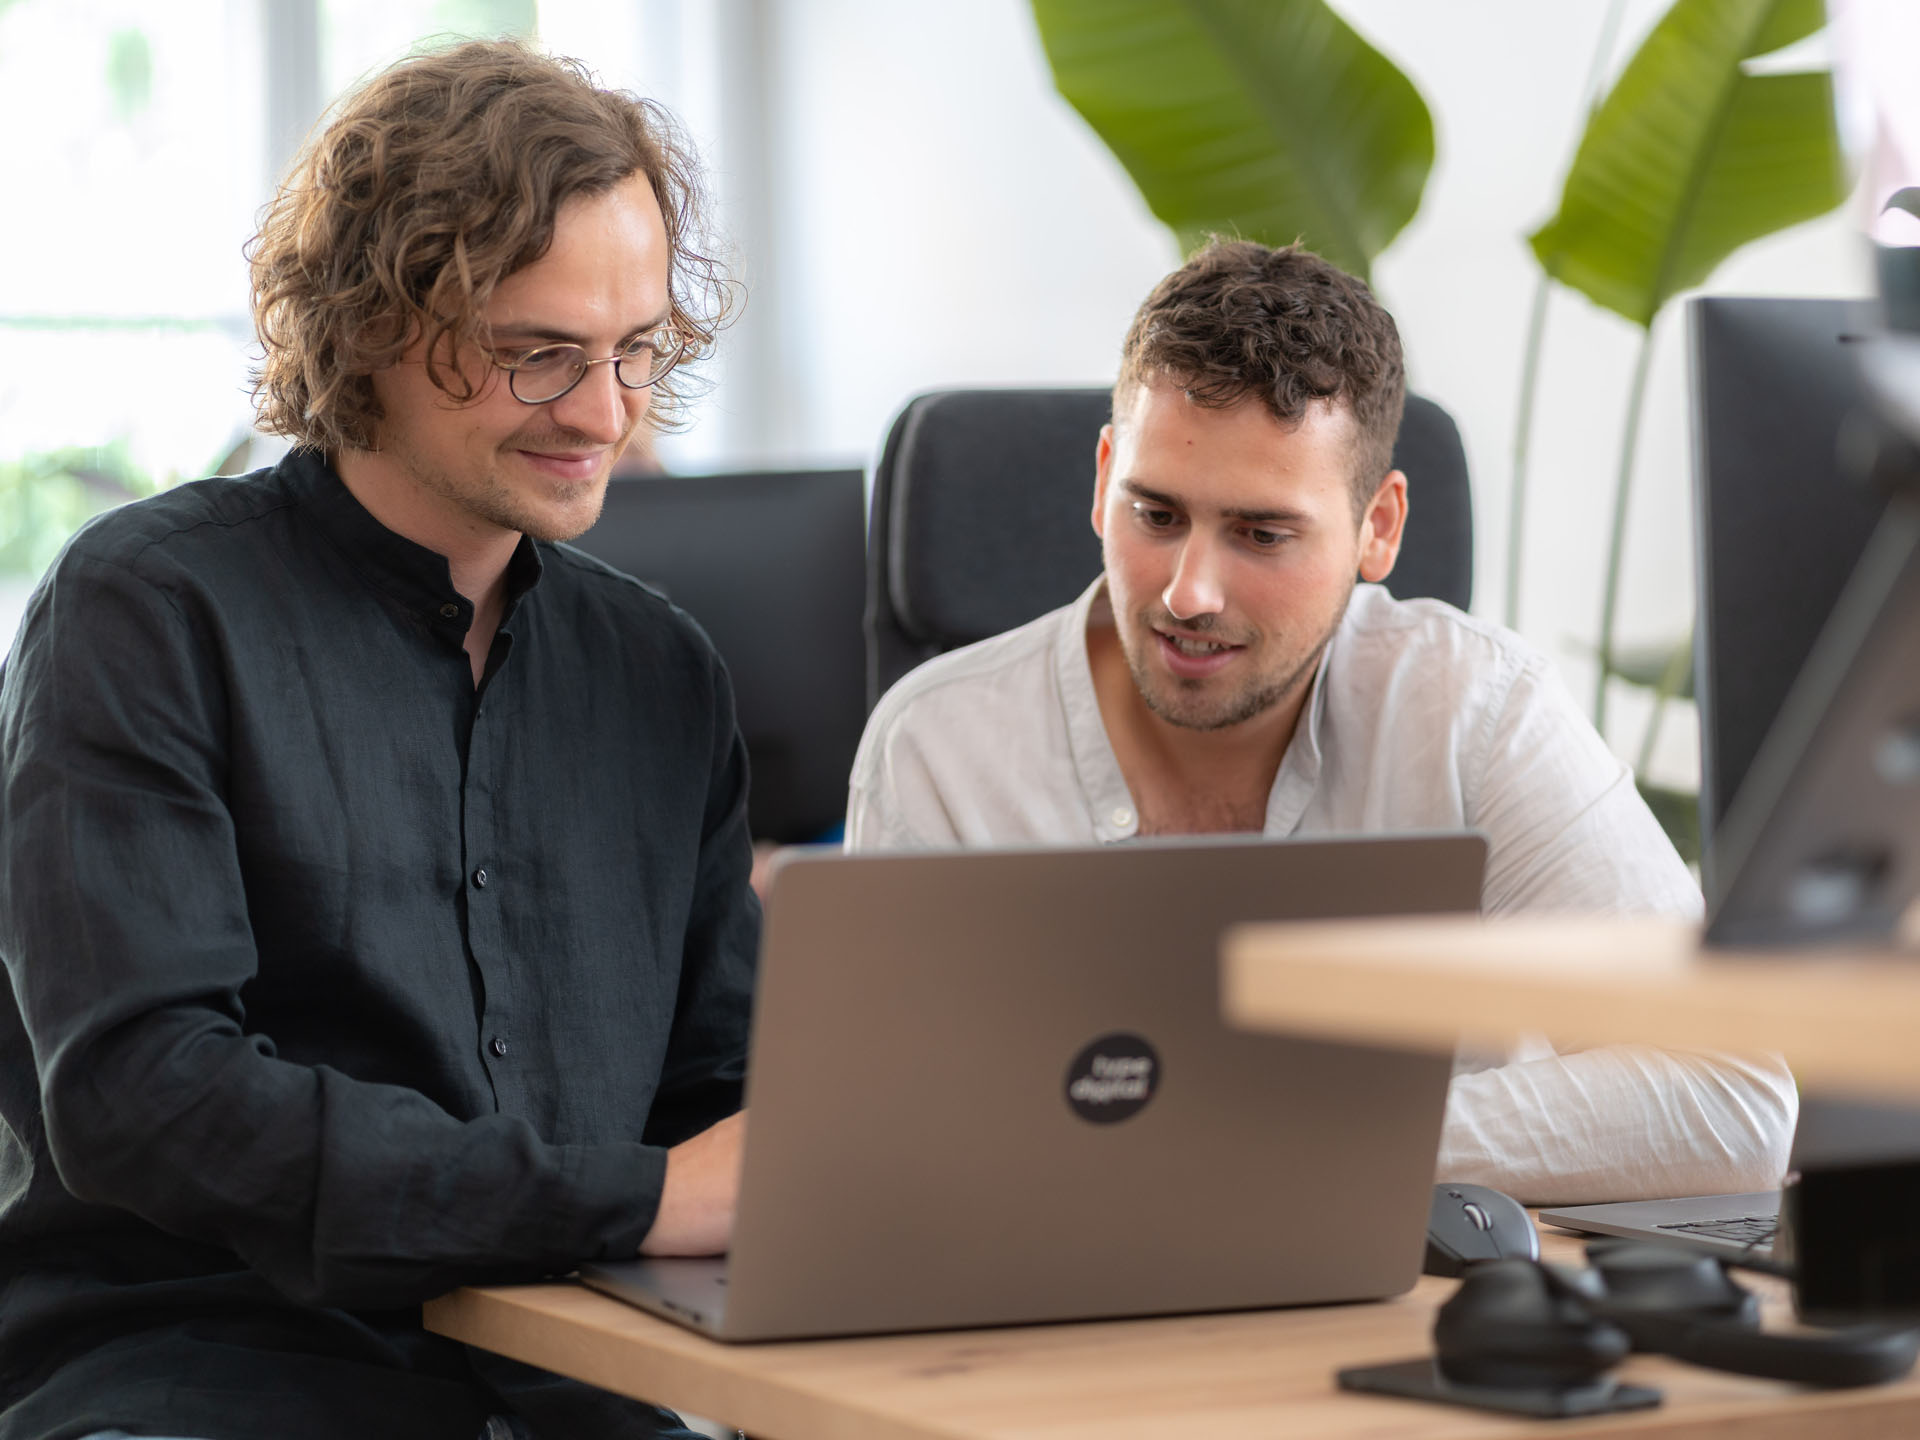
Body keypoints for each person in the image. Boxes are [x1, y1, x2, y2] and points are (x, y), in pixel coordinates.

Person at [0, 40, 753, 1440]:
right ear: (367, 326)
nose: (603, 416)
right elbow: (143, 1097)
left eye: (632, 352)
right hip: (214, 1378)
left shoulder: (663, 674)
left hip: (584, 1389)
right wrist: (638, 1199)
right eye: (538, 357)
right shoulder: (146, 609)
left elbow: (725, 1102)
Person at [846, 240, 1797, 1207]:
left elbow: (1732, 1092)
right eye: (1156, 513)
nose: (1189, 592)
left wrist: (1294, 1139)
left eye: (1262, 533)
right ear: (1103, 481)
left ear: (1378, 527)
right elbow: (893, 1147)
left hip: (1406, 1324)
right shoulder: (938, 749)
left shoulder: (1476, 711)